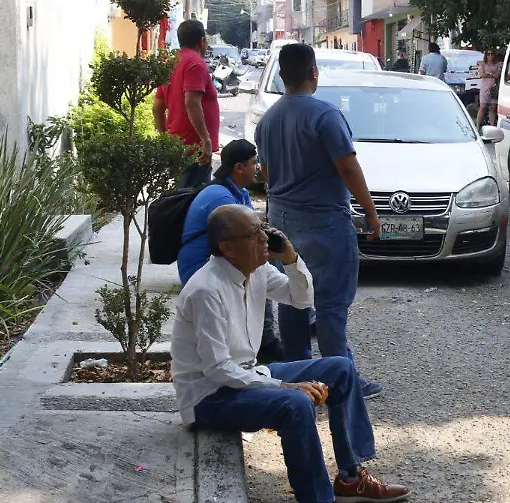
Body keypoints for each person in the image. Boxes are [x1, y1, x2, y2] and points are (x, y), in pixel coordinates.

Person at [171, 205, 410, 503]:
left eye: (263, 228)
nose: (265, 238)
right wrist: (284, 386)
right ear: (228, 248)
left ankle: (351, 476)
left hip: (246, 375)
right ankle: (317, 498)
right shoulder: (206, 291)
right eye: (254, 233)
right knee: (295, 403)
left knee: (340, 368)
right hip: (209, 398)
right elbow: (217, 369)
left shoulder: (256, 271)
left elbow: (301, 298)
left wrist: (291, 259)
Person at [254, 43, 384, 397]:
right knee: (329, 305)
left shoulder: (267, 121)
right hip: (325, 223)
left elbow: (266, 174)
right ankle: (342, 380)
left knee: (294, 299)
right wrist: (370, 212)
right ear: (314, 72)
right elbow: (347, 166)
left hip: (283, 221)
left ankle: (301, 379)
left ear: (282, 76)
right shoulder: (325, 116)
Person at [176, 139, 286, 363]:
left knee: (263, 260)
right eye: (254, 163)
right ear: (239, 168)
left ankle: (262, 339)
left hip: (217, 258)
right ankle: (265, 341)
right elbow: (241, 242)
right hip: (200, 268)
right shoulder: (222, 198)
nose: (258, 168)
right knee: (259, 265)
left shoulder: (238, 192)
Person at [165, 20, 221, 189]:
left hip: (177, 144)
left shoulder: (171, 62)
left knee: (180, 199)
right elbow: (192, 102)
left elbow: (157, 106)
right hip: (194, 148)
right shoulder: (195, 64)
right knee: (194, 201)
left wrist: (164, 139)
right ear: (202, 41)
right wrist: (205, 139)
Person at [475, 48, 503, 127]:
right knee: (483, 107)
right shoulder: (482, 64)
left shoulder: (497, 64)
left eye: (492, 54)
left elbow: (497, 75)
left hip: (493, 87)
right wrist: (492, 74)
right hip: (485, 87)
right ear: (486, 55)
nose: (490, 56)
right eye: (488, 54)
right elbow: (482, 75)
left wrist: (489, 73)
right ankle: (477, 125)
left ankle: (492, 124)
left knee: (492, 107)